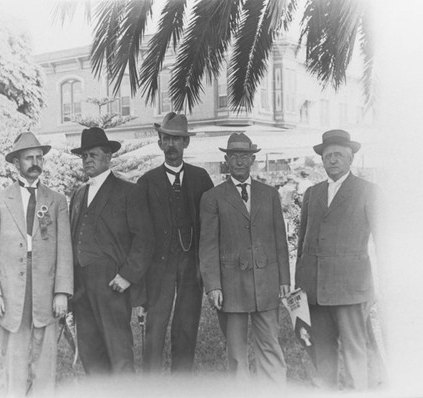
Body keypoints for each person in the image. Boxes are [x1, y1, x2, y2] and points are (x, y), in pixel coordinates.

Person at [0, 132, 73, 396]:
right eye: (29, 158)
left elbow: (64, 249)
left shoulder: (57, 200)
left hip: (45, 284)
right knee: (15, 351)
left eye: (39, 157)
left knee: (45, 354)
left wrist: (61, 292)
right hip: (10, 289)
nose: (35, 162)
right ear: (16, 163)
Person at [199, 132, 290, 384]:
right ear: (226, 161)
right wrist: (213, 286)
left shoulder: (269, 194)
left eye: (244, 156)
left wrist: (284, 279)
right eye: (233, 156)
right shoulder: (212, 198)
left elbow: (279, 240)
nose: (239, 161)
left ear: (252, 160)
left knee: (269, 343)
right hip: (231, 286)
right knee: (236, 352)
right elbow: (207, 246)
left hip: (266, 283)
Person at [295, 129, 382, 390]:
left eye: (338, 155)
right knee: (322, 349)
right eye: (328, 155)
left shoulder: (368, 191)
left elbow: (383, 241)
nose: (332, 160)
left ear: (351, 158)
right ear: (322, 160)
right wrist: (301, 283)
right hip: (315, 289)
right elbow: (302, 242)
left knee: (354, 348)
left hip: (350, 288)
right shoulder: (313, 192)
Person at [69, 127, 153, 374]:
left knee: (118, 353)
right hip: (81, 287)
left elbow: (144, 239)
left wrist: (127, 276)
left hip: (112, 284)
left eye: (92, 154)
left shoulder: (128, 191)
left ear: (108, 156)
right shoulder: (78, 195)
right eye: (83, 156)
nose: (87, 160)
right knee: (90, 352)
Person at [137, 112, 214, 373]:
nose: (172, 145)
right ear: (159, 142)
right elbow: (140, 233)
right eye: (166, 139)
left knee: (186, 326)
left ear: (186, 144)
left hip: (191, 267)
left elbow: (211, 225)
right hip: (159, 268)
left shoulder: (201, 178)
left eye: (177, 140)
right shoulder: (147, 182)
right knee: (154, 330)